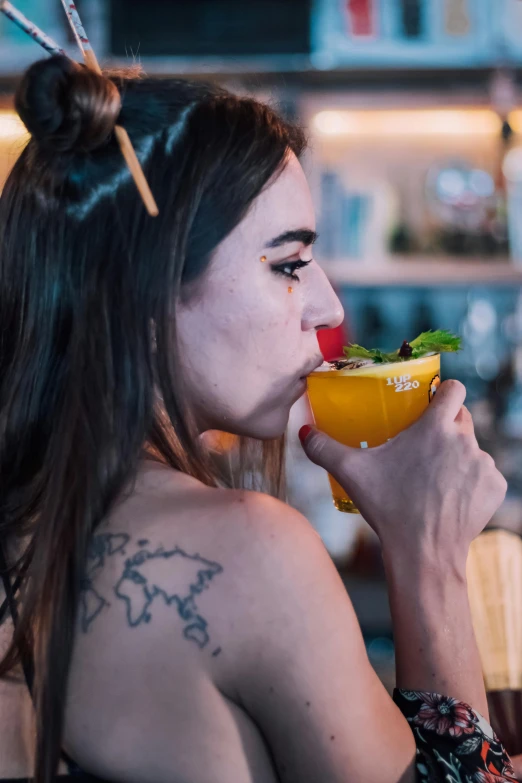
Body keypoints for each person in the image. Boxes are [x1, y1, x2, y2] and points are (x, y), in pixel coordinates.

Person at [0, 55, 514, 783]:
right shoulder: (249, 550)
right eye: (288, 264)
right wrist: (427, 552)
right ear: (145, 294)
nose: (329, 308)